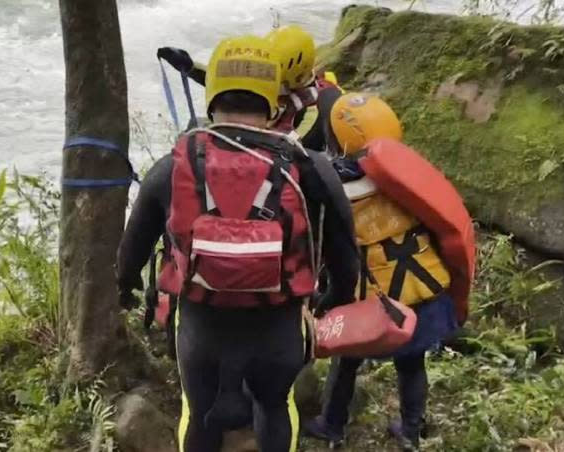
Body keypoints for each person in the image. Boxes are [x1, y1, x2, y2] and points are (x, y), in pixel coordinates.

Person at [118, 35, 359, 452]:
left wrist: (125, 288)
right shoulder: (309, 165)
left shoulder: (176, 163)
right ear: (273, 101)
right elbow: (345, 256)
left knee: (199, 413)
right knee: (275, 405)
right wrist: (330, 300)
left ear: (211, 98)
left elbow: (133, 249)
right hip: (278, 325)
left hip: (201, 327)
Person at [304, 93, 470, 451]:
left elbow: (332, 259)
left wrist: (322, 302)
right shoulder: (410, 181)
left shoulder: (337, 193)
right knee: (412, 363)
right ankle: (410, 430)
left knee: (346, 362)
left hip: (373, 303)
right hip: (425, 293)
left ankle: (331, 426)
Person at [157, 25, 341, 146]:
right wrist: (190, 68)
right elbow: (236, 83)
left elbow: (291, 147)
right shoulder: (287, 81)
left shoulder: (314, 109)